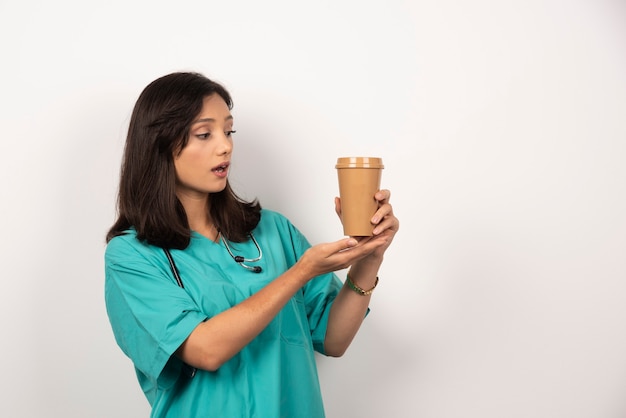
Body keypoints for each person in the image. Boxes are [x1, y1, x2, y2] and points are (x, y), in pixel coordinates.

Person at [104, 71, 399, 418]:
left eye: (229, 131)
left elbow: (334, 340)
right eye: (205, 133)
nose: (225, 145)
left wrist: (370, 257)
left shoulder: (274, 231)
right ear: (161, 145)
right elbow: (206, 350)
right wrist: (301, 273)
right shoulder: (132, 256)